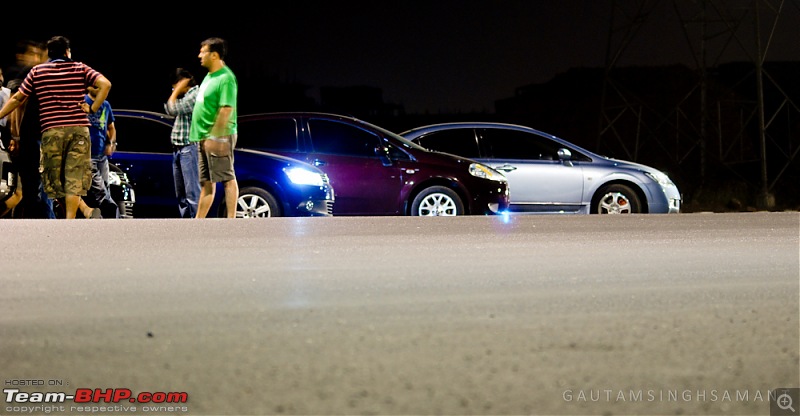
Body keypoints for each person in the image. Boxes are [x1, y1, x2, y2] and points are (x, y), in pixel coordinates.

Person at [0, 35, 111, 219]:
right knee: (74, 176)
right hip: (78, 130)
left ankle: (73, 218)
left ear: (49, 53)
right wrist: (93, 107)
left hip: (52, 131)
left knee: (52, 178)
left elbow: (18, 98)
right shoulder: (80, 68)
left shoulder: (38, 72)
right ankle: (71, 219)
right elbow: (105, 84)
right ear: (67, 51)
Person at [2, 40, 54, 219]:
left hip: (36, 136)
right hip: (26, 138)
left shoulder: (36, 74)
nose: (36, 58)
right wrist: (15, 137)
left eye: (38, 54)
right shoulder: (23, 75)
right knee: (26, 187)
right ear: (22, 56)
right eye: (32, 54)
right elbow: (17, 107)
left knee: (31, 187)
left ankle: (40, 220)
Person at [190, 37, 238, 218]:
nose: (199, 55)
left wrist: (215, 136)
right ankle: (198, 222)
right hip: (204, 136)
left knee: (227, 178)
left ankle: (232, 220)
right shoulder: (210, 76)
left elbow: (226, 109)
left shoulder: (226, 78)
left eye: (203, 52)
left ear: (214, 55)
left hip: (218, 136)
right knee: (207, 182)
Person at [77, 85, 119, 219]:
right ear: (89, 87)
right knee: (100, 190)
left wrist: (111, 143)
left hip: (101, 156)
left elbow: (111, 128)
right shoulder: (81, 102)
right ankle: (112, 212)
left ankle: (101, 219)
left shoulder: (105, 105)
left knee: (105, 187)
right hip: (87, 156)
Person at [164, 67, 200, 218]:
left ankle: (196, 224)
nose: (174, 89)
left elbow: (172, 109)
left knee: (191, 191)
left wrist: (176, 90)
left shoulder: (195, 94)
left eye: (175, 85)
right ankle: (187, 224)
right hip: (179, 149)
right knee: (181, 193)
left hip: (189, 147)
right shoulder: (187, 96)